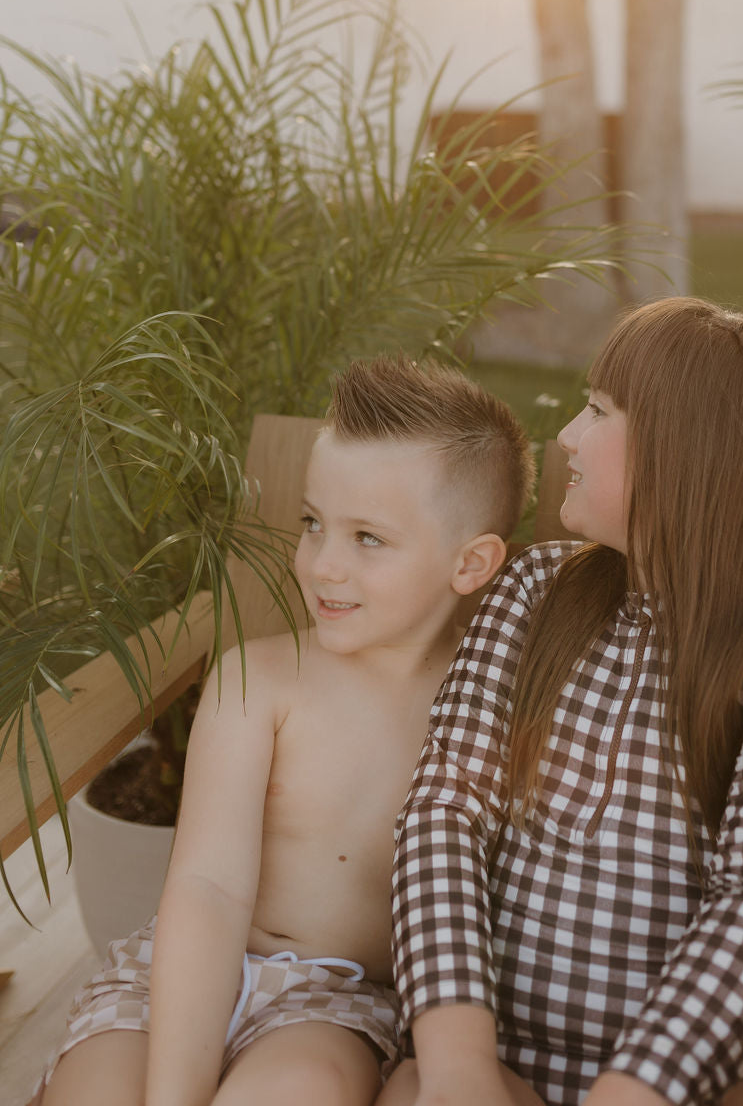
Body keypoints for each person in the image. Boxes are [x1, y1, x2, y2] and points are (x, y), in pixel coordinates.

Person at [382, 296, 743, 1106]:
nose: (565, 438)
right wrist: (458, 1068)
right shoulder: (532, 589)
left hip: (690, 1078)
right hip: (497, 1055)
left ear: (690, 451)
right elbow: (444, 815)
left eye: (596, 411)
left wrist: (635, 1090)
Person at [37, 355, 535, 1106]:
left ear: (471, 564)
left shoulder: (492, 706)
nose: (323, 564)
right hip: (175, 976)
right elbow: (207, 889)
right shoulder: (260, 679)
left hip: (332, 1005)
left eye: (368, 538)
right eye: (312, 524)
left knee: (294, 1089)